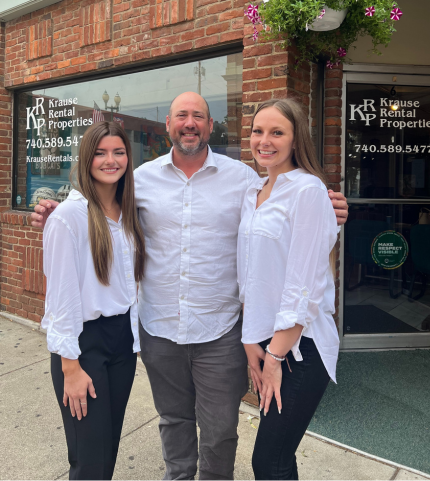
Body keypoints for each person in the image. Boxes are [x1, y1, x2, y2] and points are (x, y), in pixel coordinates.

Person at [32, 92, 348, 480]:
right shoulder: (140, 180)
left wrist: (329, 210)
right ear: (168, 125)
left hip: (221, 332)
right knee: (173, 422)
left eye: (199, 115)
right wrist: (52, 210)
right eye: (181, 115)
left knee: (219, 432)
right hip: (159, 329)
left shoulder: (246, 181)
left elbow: (289, 215)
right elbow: (97, 208)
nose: (190, 122)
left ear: (210, 126)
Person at [238, 98, 340, 480]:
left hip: (300, 347)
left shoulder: (307, 190)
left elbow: (304, 283)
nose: (264, 140)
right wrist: (253, 344)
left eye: (277, 132)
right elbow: (251, 275)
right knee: (277, 455)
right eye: (257, 131)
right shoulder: (255, 193)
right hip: (266, 342)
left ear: (296, 140)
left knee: (269, 460)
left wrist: (276, 358)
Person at [41, 121, 145, 480]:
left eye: (118, 152)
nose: (110, 160)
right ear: (86, 158)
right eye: (100, 153)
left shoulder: (128, 211)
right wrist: (70, 367)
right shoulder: (68, 218)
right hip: (84, 346)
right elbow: (61, 298)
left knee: (108, 450)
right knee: (89, 461)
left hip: (122, 342)